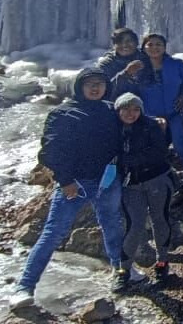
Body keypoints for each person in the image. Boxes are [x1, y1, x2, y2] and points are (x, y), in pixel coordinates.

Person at [8, 68, 126, 309]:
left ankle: (121, 269)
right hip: (75, 184)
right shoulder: (62, 113)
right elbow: (49, 151)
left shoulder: (111, 110)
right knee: (53, 233)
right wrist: (65, 181)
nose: (95, 88)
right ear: (79, 86)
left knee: (112, 224)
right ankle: (24, 287)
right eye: (90, 84)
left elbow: (129, 131)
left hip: (107, 180)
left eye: (100, 84)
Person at [115, 93, 175, 287]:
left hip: (157, 179)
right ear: (118, 110)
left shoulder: (152, 125)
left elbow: (159, 152)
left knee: (160, 220)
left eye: (135, 109)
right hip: (130, 184)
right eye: (126, 109)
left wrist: (126, 160)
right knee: (134, 225)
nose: (131, 113)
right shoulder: (113, 129)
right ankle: (123, 271)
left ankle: (162, 264)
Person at [138, 34, 183, 192]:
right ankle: (161, 181)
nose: (154, 48)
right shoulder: (138, 68)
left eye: (158, 44)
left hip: (176, 113)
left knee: (181, 146)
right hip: (150, 117)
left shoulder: (177, 64)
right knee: (155, 150)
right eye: (150, 44)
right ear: (143, 48)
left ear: (165, 47)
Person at [96, 27, 151, 101]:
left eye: (129, 41)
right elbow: (102, 92)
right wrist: (125, 74)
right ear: (114, 45)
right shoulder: (106, 64)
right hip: (113, 106)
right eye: (119, 42)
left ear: (137, 43)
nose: (124, 45)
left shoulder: (147, 59)